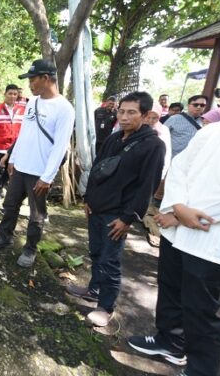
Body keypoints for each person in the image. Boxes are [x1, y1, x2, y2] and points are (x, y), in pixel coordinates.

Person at [127, 57, 220, 375]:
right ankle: (169, 342)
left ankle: (200, 369)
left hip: (215, 241)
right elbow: (180, 168)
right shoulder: (213, 131)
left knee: (201, 312)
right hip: (179, 232)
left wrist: (183, 214)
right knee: (169, 291)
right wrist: (178, 207)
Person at [67, 92, 165, 327]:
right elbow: (97, 169)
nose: (124, 117)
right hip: (97, 207)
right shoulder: (114, 139)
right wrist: (88, 198)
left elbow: (147, 186)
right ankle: (93, 289)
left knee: (110, 260)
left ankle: (106, 306)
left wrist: (128, 218)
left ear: (145, 115)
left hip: (118, 214)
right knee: (96, 252)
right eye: (121, 111)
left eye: (131, 112)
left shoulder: (153, 145)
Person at [0, 59, 74, 268]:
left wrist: (47, 177)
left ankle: (30, 249)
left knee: (36, 214)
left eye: (33, 79)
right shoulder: (32, 102)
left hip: (39, 172)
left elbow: (60, 147)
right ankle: (4, 236)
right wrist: (12, 158)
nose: (30, 84)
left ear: (46, 79)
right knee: (10, 205)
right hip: (21, 167)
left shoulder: (64, 109)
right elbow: (24, 133)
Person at [0, 84, 23, 205]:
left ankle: (2, 187)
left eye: (15, 94)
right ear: (5, 94)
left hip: (15, 149)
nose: (13, 96)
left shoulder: (21, 111)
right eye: (10, 93)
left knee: (10, 172)